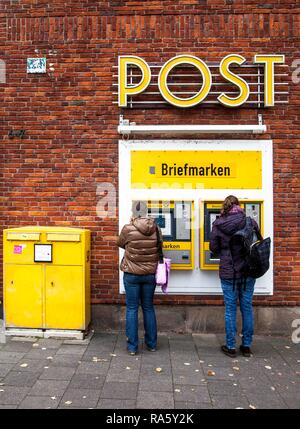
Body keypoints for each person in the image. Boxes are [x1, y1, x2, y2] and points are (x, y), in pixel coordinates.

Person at [209, 195, 261, 358]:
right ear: (239, 206)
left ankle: (231, 346)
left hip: (228, 271)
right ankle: (246, 346)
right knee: (247, 307)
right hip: (247, 270)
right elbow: (257, 242)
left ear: (225, 206)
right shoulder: (250, 221)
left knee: (230, 309)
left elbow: (213, 247)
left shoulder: (218, 223)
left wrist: (224, 251)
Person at [117, 201, 163, 356]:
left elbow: (121, 244)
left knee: (132, 308)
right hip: (149, 274)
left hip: (131, 273)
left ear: (133, 212)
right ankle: (151, 344)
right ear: (146, 211)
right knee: (148, 307)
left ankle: (132, 347)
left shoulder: (127, 228)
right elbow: (159, 247)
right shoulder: (156, 228)